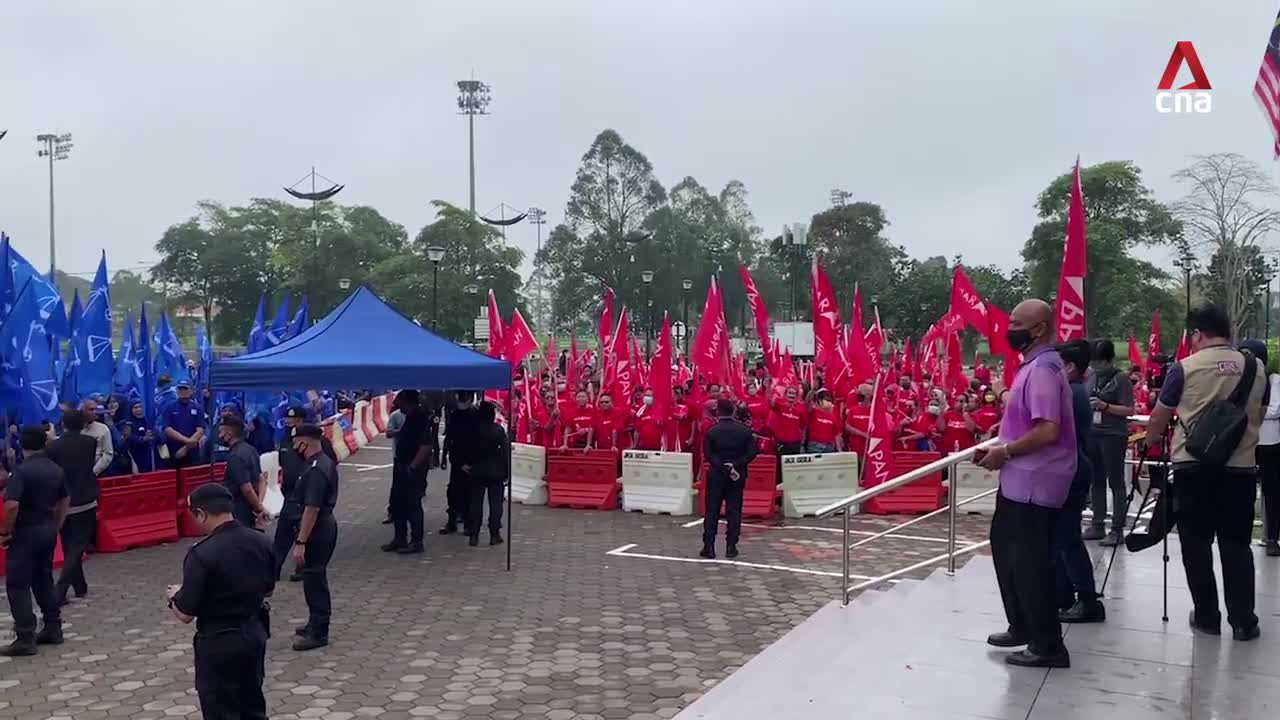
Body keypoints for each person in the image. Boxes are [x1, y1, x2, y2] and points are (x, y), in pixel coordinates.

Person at [1145, 304, 1265, 641]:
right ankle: (1243, 621)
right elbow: (1260, 412)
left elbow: (1159, 418)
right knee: (1237, 545)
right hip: (1240, 469)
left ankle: (1208, 616)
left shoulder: (1185, 368)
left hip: (1192, 468)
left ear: (1197, 334)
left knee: (1196, 544)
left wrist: (1152, 440)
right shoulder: (1255, 368)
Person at [977, 299, 1075, 668]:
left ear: (1039, 329)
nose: (1010, 328)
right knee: (1006, 550)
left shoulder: (1045, 369)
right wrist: (999, 445)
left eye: (1017, 323)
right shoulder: (1030, 366)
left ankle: (1048, 645)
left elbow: (1049, 429)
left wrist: (1008, 451)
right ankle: (1021, 624)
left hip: (1037, 481)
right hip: (1018, 478)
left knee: (1031, 561)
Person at [167, 484, 275, 717]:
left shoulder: (201, 554)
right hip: (254, 634)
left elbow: (185, 613)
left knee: (220, 709)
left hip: (218, 642)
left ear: (201, 514)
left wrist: (174, 595)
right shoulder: (261, 541)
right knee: (253, 704)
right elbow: (268, 590)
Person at [0, 426, 68, 656]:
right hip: (47, 529)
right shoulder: (55, 469)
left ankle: (25, 636)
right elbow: (65, 499)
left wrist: (4, 532)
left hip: (25, 532)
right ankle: (52, 626)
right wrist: (56, 524)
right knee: (43, 579)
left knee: (18, 585)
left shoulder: (22, 472)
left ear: (23, 445)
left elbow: (11, 505)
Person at [1053, 339, 1104, 624]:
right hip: (1074, 467)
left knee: (1068, 539)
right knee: (1062, 538)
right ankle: (1066, 595)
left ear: (1070, 367)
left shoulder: (1070, 393)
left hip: (1071, 470)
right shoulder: (1075, 390)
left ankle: (1087, 600)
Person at [288, 424, 340, 651]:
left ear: (304, 442)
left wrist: (300, 542)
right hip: (318, 528)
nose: (293, 448)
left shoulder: (317, 469)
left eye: (295, 443)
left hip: (317, 530)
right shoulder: (318, 463)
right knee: (311, 580)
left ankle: (319, 632)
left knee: (315, 579)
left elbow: (312, 509)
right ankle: (314, 622)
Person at [1083, 339, 1136, 546]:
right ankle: (1097, 523)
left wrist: (1105, 406)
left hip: (1113, 434)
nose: (1096, 366)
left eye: (1100, 361)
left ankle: (1117, 528)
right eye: (1094, 361)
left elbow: (1129, 410)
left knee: (1116, 482)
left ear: (1110, 360)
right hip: (1093, 433)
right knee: (1096, 479)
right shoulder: (1092, 377)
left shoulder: (1121, 380)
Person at [45, 408, 99, 606]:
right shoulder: (90, 443)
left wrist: (51, 439)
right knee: (75, 546)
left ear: (63, 424)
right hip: (87, 500)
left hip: (63, 502)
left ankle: (68, 588)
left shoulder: (53, 447)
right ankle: (73, 586)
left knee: (71, 546)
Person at [701, 399, 758, 559]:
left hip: (717, 474)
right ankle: (731, 547)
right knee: (734, 510)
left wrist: (722, 465)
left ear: (718, 411)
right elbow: (752, 452)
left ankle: (709, 546)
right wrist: (735, 464)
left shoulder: (712, 431)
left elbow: (708, 454)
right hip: (737, 475)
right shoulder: (744, 431)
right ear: (733, 411)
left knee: (712, 511)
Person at [384, 390, 433, 553]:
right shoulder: (409, 417)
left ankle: (416, 541)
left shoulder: (420, 418)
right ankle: (400, 538)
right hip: (402, 464)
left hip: (413, 468)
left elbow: (426, 446)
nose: (398, 406)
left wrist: (413, 466)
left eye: (401, 402)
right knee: (398, 502)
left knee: (412, 504)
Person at [463, 401, 508, 547]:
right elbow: (505, 452)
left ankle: (474, 534)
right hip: (496, 470)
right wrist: (506, 471)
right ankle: (494, 533)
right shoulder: (498, 430)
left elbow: (468, 448)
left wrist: (467, 463)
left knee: (475, 503)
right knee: (496, 503)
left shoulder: (473, 430)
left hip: (477, 469)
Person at [219, 415, 268, 531]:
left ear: (229, 433)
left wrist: (258, 509)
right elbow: (261, 479)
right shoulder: (251, 450)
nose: (219, 436)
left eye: (221, 432)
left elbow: (247, 488)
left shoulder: (236, 456)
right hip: (250, 507)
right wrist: (259, 504)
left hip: (239, 509)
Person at [441, 391, 478, 535]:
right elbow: (449, 438)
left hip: (470, 460)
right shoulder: (455, 415)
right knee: (453, 492)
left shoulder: (475, 416)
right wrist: (444, 456)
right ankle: (452, 521)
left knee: (469, 493)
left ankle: (469, 524)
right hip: (457, 460)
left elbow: (478, 440)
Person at [1257, 344, 1280, 557]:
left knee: (1272, 492)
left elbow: (1274, 409)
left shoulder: (1274, 381)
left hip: (1269, 442)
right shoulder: (1243, 379)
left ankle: (1272, 536)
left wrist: (1250, 411)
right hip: (1246, 443)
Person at [162, 380, 206, 469]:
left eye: (185, 389)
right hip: (174, 450)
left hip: (192, 452)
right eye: (180, 389)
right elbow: (167, 429)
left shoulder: (197, 408)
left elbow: (200, 430)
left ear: (191, 390)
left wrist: (186, 447)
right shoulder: (169, 407)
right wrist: (187, 441)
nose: (182, 391)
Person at [80, 399, 116, 478]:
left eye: (95, 409)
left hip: (98, 473)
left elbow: (108, 454)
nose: (94, 412)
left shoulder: (103, 429)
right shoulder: (74, 428)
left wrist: (94, 472)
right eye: (91, 409)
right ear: (82, 411)